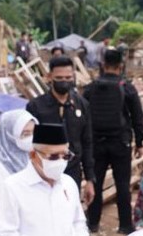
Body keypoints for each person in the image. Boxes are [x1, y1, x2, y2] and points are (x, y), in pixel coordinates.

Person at [83, 49, 143, 234]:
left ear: (103, 65)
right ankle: (125, 225)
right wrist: (139, 143)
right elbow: (137, 117)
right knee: (123, 184)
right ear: (121, 66)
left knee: (96, 182)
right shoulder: (127, 87)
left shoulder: (90, 88)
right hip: (120, 143)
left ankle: (92, 224)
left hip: (97, 144)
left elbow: (84, 116)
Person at [26, 56, 95, 206]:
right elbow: (29, 143)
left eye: (68, 77)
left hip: (72, 170)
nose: (64, 81)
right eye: (59, 78)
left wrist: (90, 179)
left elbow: (87, 142)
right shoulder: (36, 107)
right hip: (44, 171)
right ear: (49, 77)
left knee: (70, 210)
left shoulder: (82, 105)